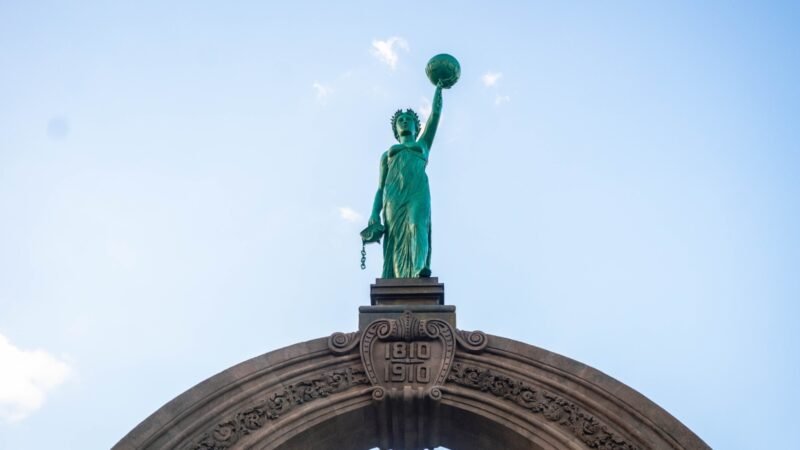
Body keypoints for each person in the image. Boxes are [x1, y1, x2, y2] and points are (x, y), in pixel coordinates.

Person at [368, 85, 443, 278]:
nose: (404, 121)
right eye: (400, 120)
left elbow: (435, 115)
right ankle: (398, 278)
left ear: (416, 127)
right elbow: (380, 188)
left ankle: (419, 268)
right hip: (393, 196)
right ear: (396, 129)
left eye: (408, 119)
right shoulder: (387, 155)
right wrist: (374, 213)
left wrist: (439, 88)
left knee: (417, 223)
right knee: (396, 236)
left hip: (418, 191)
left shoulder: (423, 144)